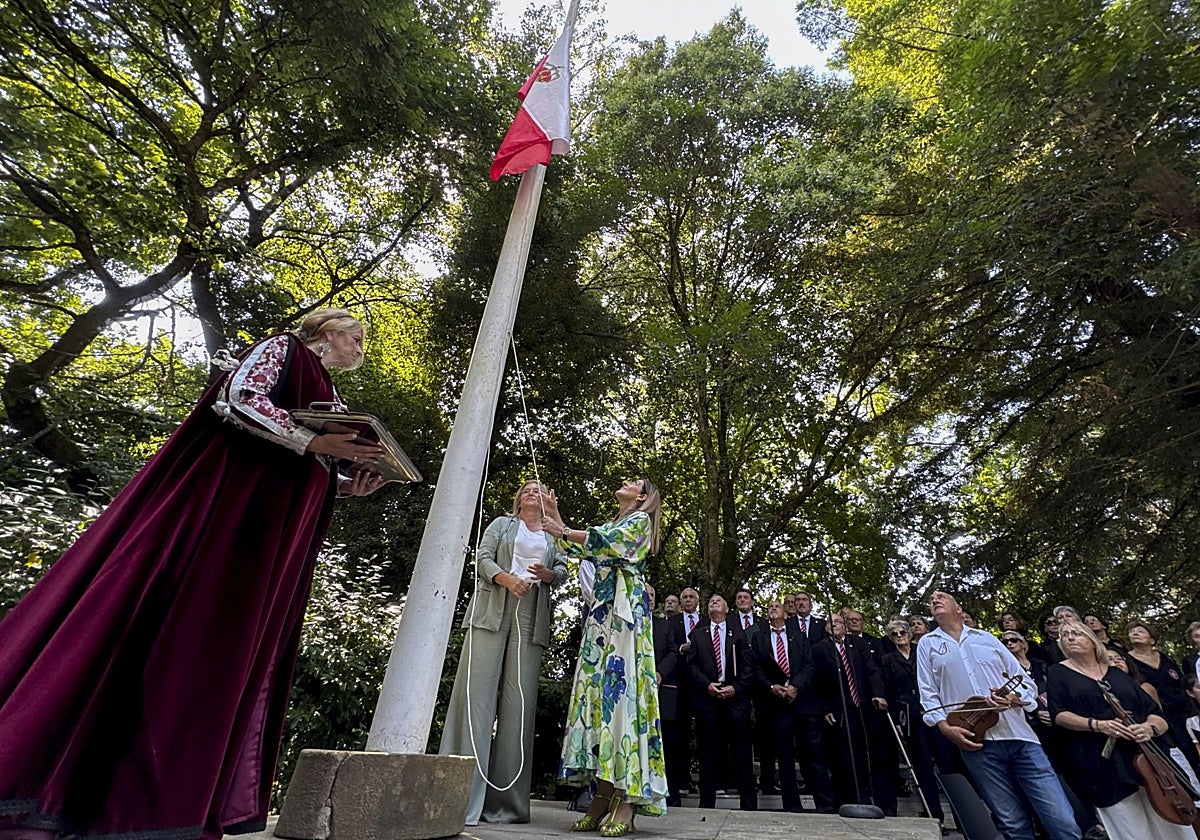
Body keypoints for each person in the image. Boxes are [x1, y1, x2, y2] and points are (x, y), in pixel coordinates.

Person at [0, 309, 390, 840]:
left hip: (275, 539)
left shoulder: (332, 399)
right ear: (323, 330)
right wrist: (315, 444)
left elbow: (309, 459)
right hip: (231, 519)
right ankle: (104, 802)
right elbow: (239, 401)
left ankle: (177, 801)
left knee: (226, 652)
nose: (359, 346)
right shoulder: (282, 348)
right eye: (354, 335)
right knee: (173, 631)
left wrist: (347, 484)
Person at [438, 480, 568, 825]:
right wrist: (506, 578)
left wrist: (550, 573)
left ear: (546, 501)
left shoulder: (555, 534)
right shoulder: (501, 524)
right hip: (492, 608)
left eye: (539, 489)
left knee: (518, 706)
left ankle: (506, 806)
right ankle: (458, 798)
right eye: (526, 488)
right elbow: (481, 558)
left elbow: (565, 570)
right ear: (518, 498)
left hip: (531, 614)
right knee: (475, 700)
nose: (531, 491)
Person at [544, 478, 667, 836]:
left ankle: (626, 804)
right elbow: (575, 549)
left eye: (632, 481)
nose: (624, 482)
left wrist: (564, 527)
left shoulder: (640, 522)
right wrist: (557, 518)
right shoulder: (614, 524)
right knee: (598, 703)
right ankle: (601, 797)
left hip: (625, 622)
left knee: (623, 703)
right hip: (601, 621)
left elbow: (608, 544)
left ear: (642, 496)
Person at [918, 591, 1081, 840]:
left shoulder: (988, 640)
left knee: (1062, 821)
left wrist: (1011, 699)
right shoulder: (927, 645)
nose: (935, 600)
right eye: (932, 600)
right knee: (1013, 824)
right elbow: (928, 692)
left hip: (1022, 739)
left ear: (959, 608)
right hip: (976, 743)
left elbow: (1027, 685)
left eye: (942, 597)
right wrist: (944, 727)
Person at [1047, 619, 1193, 840]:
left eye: (1076, 633)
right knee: (1130, 827)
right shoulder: (1059, 673)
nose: (1069, 637)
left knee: (1171, 821)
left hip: (1147, 757)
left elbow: (1155, 713)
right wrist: (1097, 725)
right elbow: (1058, 714)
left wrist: (1149, 729)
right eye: (1065, 635)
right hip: (1102, 762)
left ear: (1093, 641)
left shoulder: (1116, 673)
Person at [813, 613, 895, 814]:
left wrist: (878, 694)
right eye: (831, 623)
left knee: (872, 752)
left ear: (845, 626)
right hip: (840, 708)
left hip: (865, 705)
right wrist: (826, 709)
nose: (835, 625)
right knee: (845, 755)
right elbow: (818, 682)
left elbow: (871, 670)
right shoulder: (820, 649)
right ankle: (851, 798)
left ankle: (879, 800)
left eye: (839, 622)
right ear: (826, 628)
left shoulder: (857, 644)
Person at [687, 594, 757, 811]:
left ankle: (749, 803)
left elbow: (748, 666)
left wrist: (736, 688)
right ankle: (707, 802)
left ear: (727, 609)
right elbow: (691, 666)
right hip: (708, 699)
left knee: (741, 751)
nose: (714, 602)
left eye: (719, 601)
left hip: (735, 699)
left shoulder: (739, 633)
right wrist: (707, 685)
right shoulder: (698, 635)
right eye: (710, 602)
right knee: (708, 751)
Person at [749, 599, 814, 813]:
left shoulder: (799, 637)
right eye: (769, 607)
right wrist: (770, 686)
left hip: (798, 700)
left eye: (777, 606)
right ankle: (790, 803)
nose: (773, 608)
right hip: (774, 702)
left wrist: (796, 686)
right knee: (783, 752)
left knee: (808, 750)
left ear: (786, 613)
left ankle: (814, 800)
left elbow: (808, 665)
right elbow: (756, 667)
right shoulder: (760, 637)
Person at [880, 620, 944, 825]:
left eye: (902, 632)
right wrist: (897, 718)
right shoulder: (888, 659)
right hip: (910, 716)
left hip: (935, 710)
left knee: (946, 761)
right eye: (895, 634)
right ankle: (935, 815)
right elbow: (889, 691)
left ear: (909, 632)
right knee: (922, 764)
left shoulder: (922, 651)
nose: (900, 636)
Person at [1126, 619, 1200, 780]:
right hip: (1160, 715)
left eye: (1140, 631)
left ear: (1152, 639)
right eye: (1132, 632)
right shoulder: (1128, 660)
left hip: (1184, 710)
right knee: (1179, 754)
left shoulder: (1164, 657)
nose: (1135, 633)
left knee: (1194, 748)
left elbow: (1179, 680)